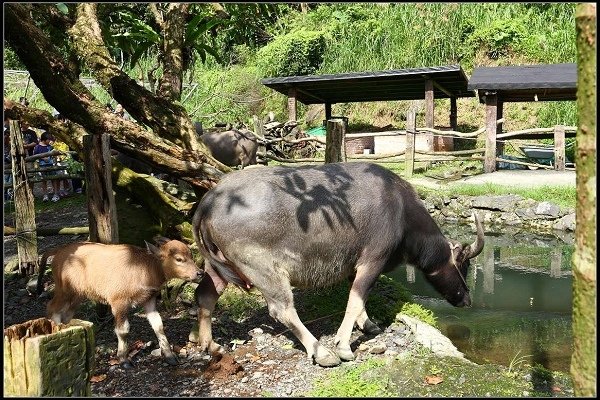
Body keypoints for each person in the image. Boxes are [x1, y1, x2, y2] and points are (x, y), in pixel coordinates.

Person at [33, 131, 60, 202]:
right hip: (42, 166)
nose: (50, 141)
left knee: (53, 179)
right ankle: (45, 195)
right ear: (44, 139)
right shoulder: (37, 147)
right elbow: (35, 156)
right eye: (49, 139)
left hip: (51, 165)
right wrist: (42, 158)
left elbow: (54, 156)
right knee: (44, 180)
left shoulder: (50, 147)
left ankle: (56, 194)